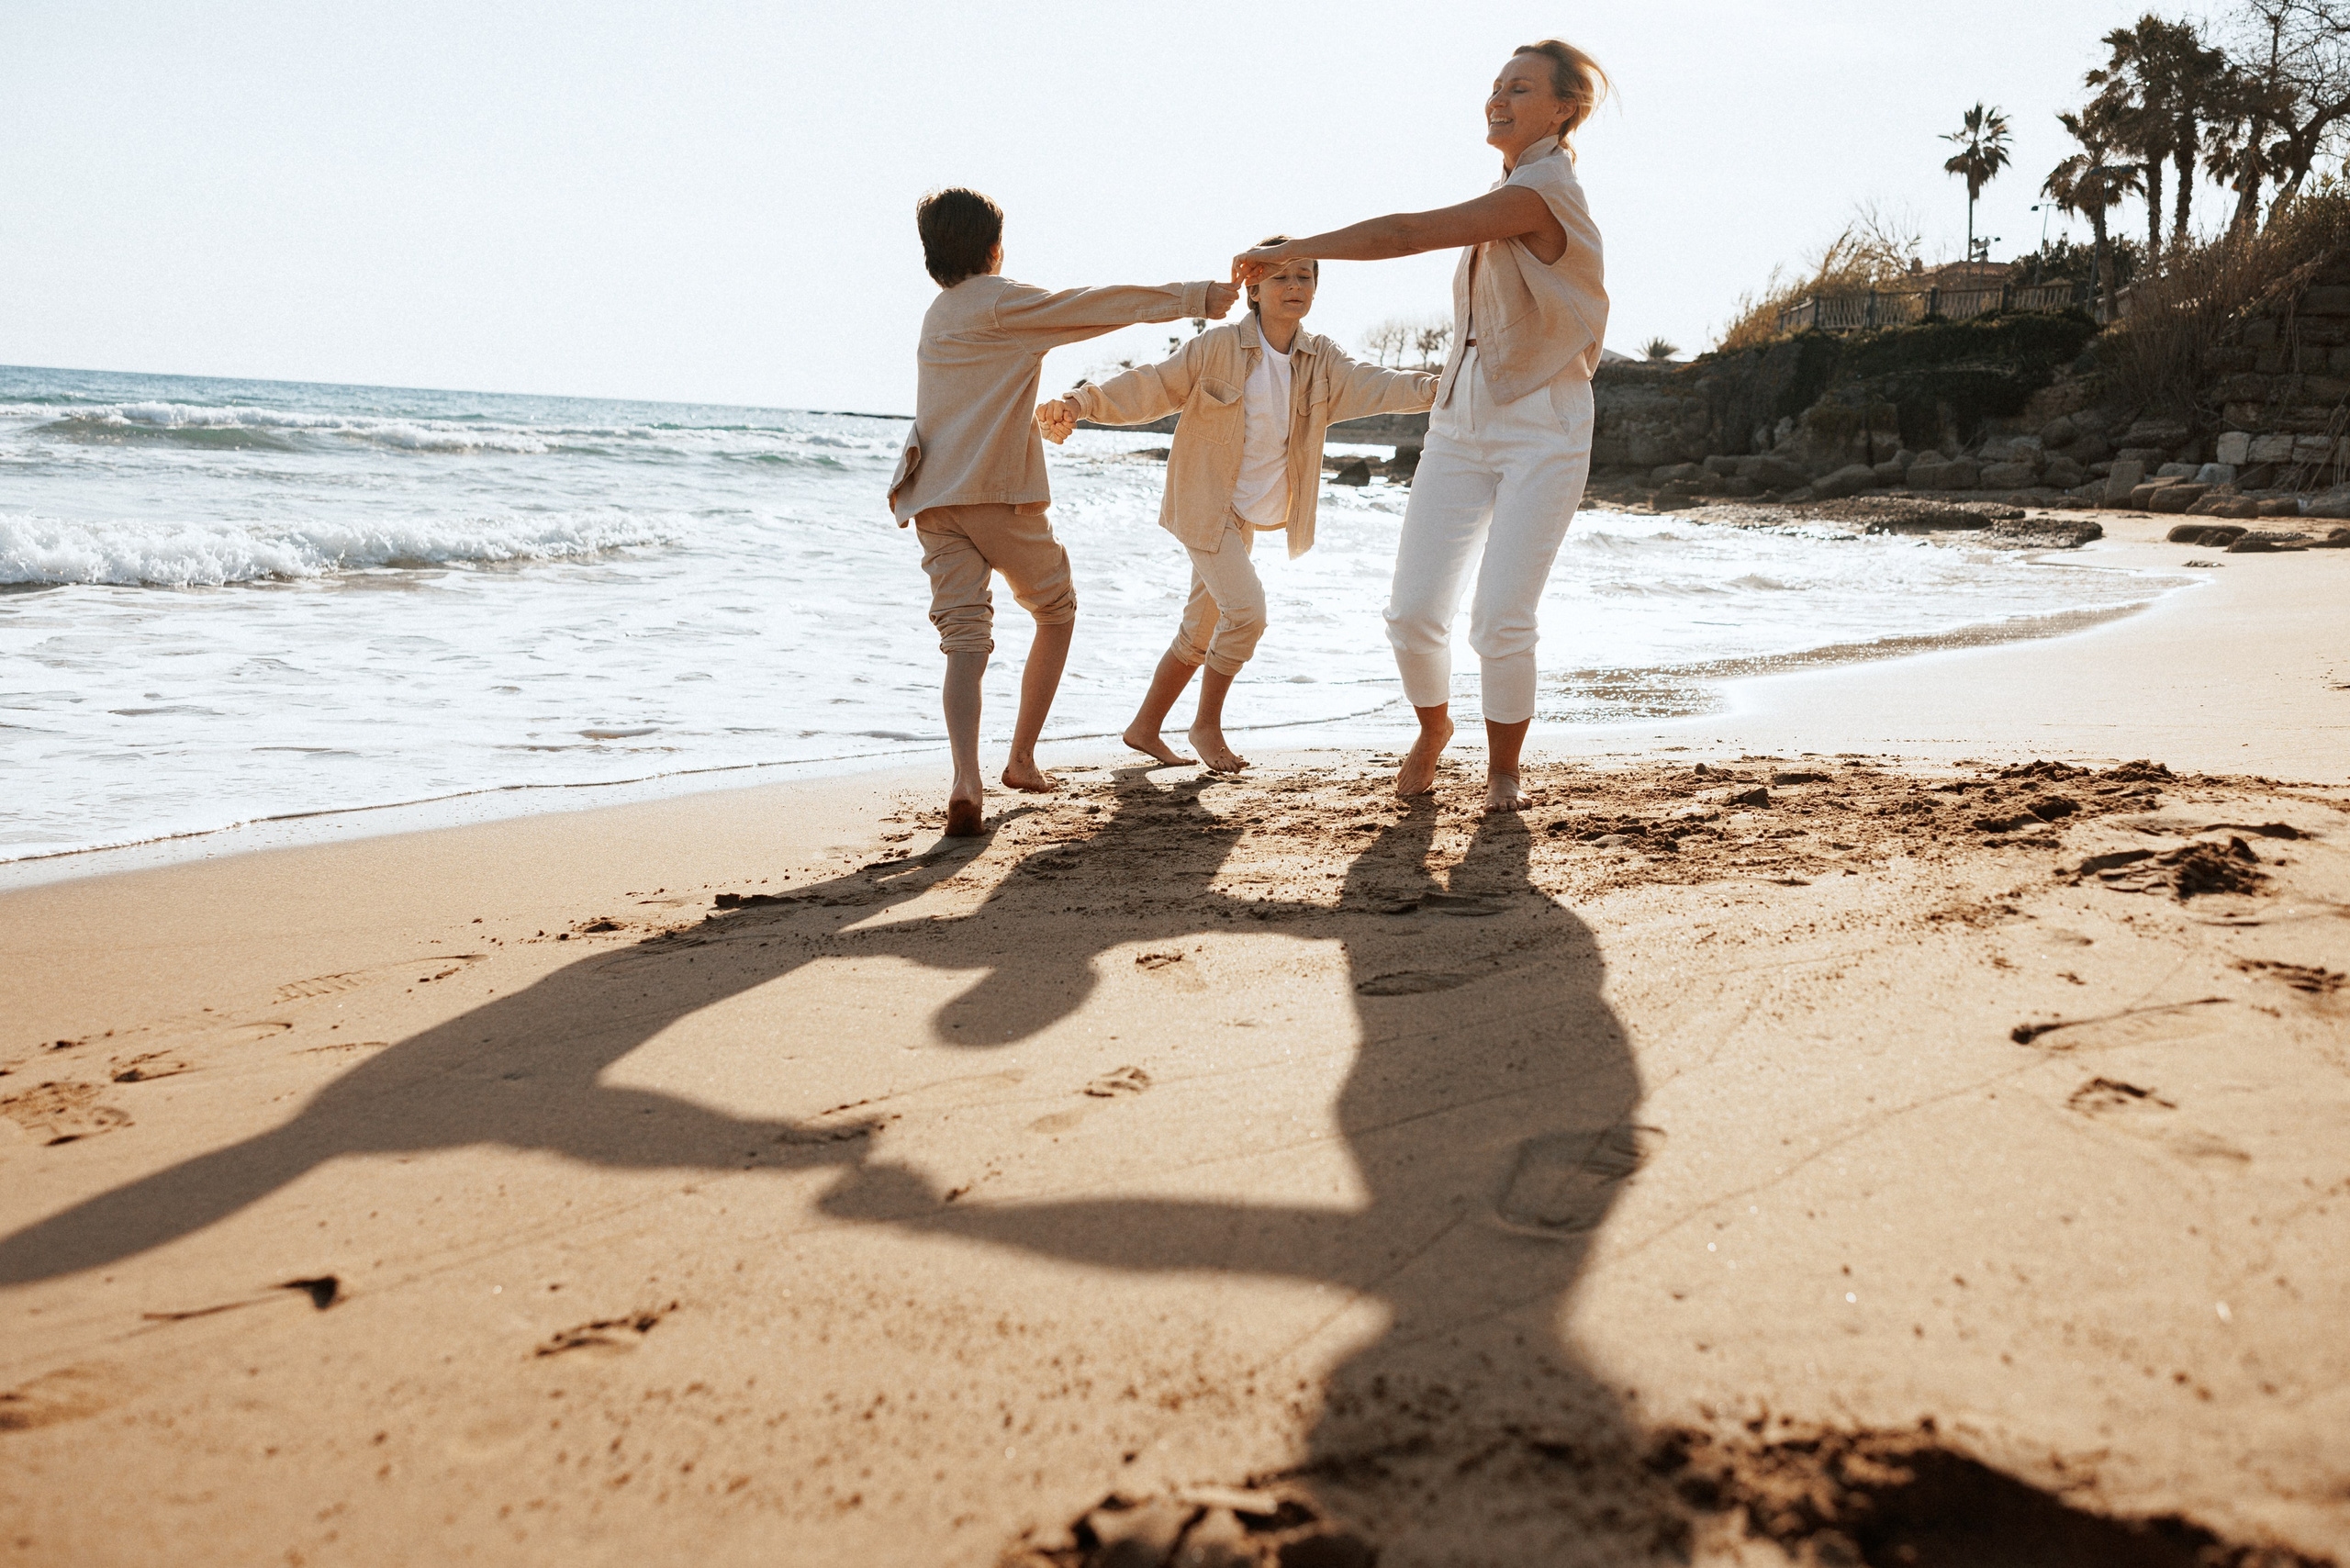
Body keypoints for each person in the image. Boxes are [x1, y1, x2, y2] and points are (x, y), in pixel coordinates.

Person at [1231, 40, 1608, 811]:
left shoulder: (1542, 193)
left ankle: (1503, 770)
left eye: (1522, 89)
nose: (1497, 99)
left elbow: (1405, 233)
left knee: (1501, 617)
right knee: (1411, 613)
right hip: (1459, 416)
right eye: (1496, 86)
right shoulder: (1508, 185)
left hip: (1545, 420)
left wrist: (1297, 248)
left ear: (1566, 108)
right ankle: (1434, 729)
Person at [889, 188, 1237, 834]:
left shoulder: (936, 315)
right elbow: (1096, 307)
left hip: (931, 498)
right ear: (995, 248)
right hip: (996, 494)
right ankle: (1020, 759)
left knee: (964, 640)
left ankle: (966, 778)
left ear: (933, 258)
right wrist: (1193, 298)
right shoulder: (1000, 302)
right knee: (1055, 610)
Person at [1036, 241, 1436, 772]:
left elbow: (1381, 384)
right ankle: (1206, 726)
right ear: (1253, 288)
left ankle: (1144, 728)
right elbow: (1151, 385)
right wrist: (1080, 402)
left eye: (1304, 277)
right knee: (1247, 614)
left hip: (1246, 514)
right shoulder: (1217, 348)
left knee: (1200, 631)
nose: (1294, 287)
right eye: (1281, 278)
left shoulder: (1323, 362)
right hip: (1203, 505)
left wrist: (1445, 387)